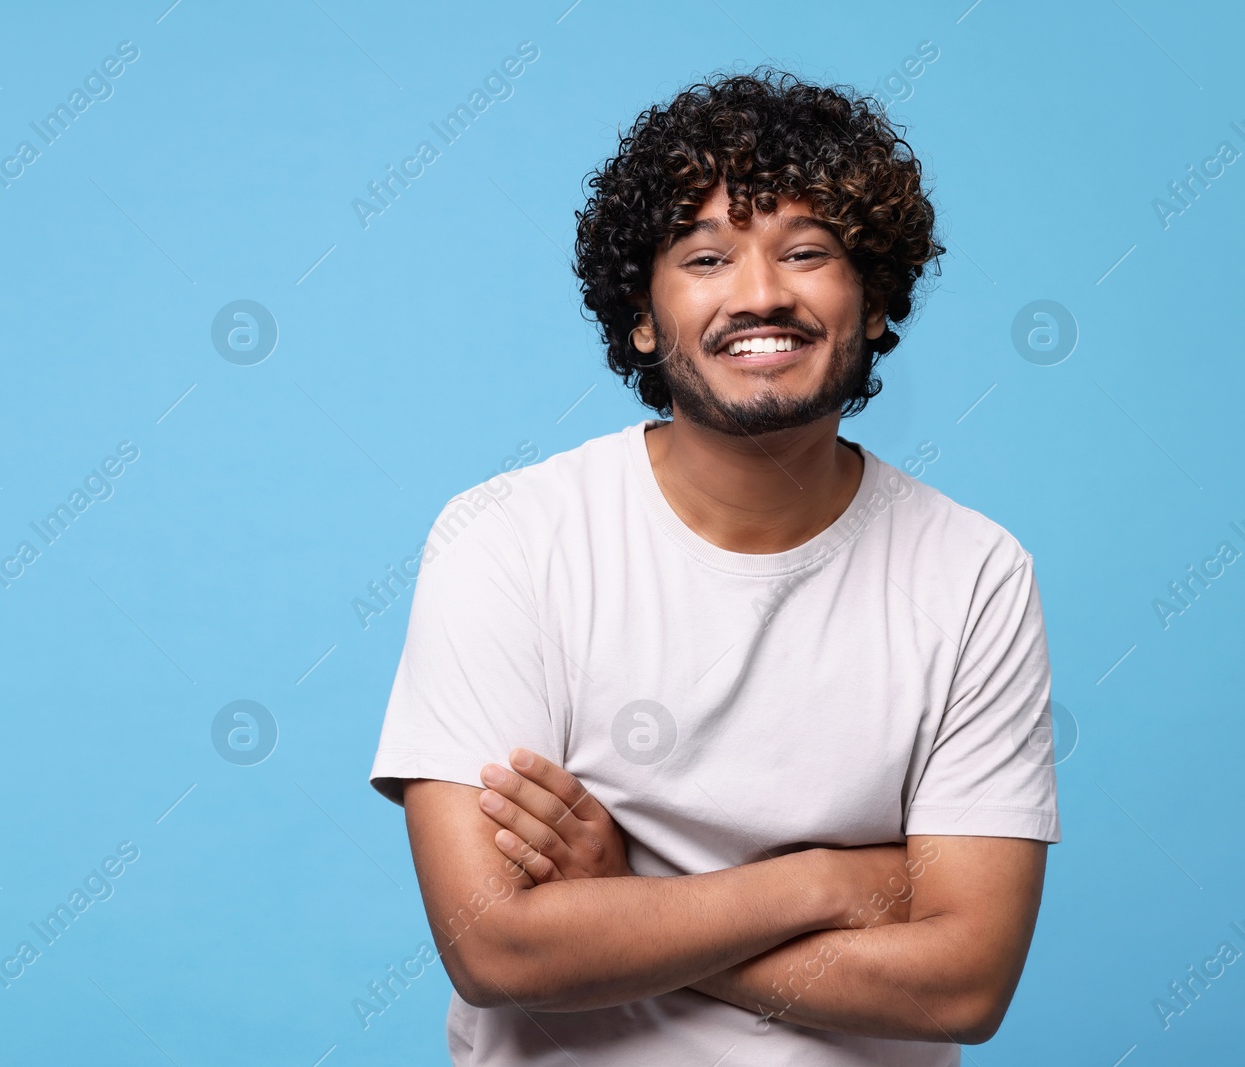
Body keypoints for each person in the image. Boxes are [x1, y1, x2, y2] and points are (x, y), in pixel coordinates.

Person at [368, 68, 1060, 1066]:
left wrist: (624, 906)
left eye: (807, 252)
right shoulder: (507, 538)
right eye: (704, 256)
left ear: (873, 304)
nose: (760, 293)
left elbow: (964, 979)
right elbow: (494, 945)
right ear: (642, 319)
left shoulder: (973, 571)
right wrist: (824, 880)